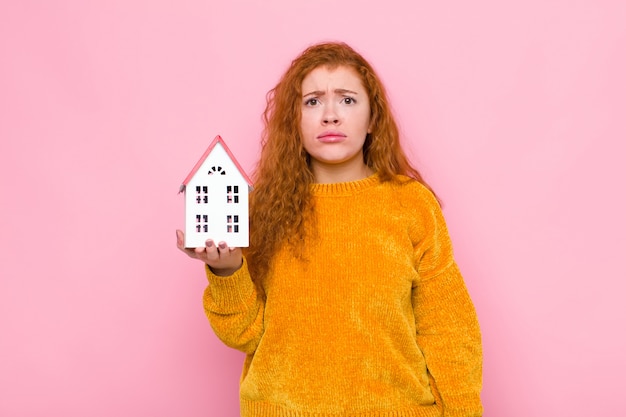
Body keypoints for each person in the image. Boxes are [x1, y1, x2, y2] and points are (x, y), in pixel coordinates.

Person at [176, 41, 483, 417]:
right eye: (313, 101)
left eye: (348, 100)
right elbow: (245, 333)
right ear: (295, 121)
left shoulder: (412, 204)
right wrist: (227, 270)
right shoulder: (262, 209)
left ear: (372, 120)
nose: (331, 116)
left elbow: (450, 332)